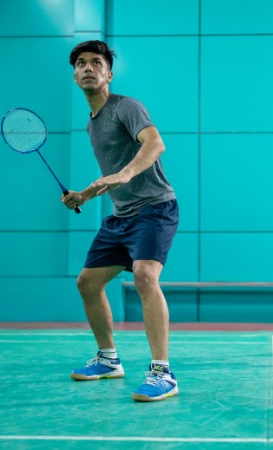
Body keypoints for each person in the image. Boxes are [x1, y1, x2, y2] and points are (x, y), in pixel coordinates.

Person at [62, 40, 180, 401]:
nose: (88, 68)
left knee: (145, 277)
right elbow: (110, 176)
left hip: (155, 208)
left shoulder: (125, 107)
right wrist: (84, 194)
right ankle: (109, 359)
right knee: (87, 283)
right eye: (81, 63)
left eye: (96, 63)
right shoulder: (91, 125)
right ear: (74, 76)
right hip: (121, 216)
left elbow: (155, 144)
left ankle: (163, 372)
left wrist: (126, 173)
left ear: (108, 74)